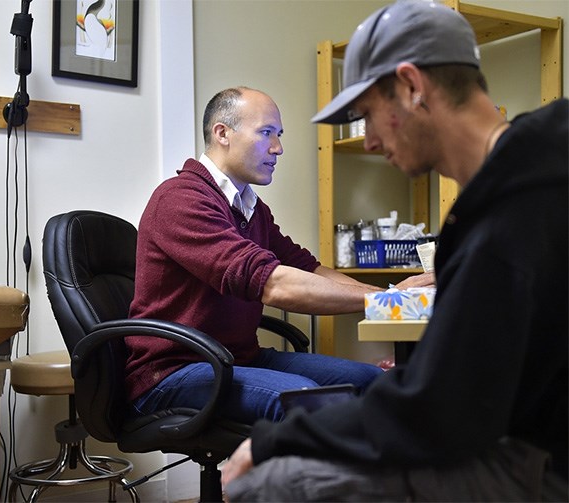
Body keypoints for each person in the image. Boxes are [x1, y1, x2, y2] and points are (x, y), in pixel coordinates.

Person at [221, 1, 568, 501]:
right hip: (526, 424)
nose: (368, 142)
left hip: (545, 458)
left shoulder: (503, 219)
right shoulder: (533, 165)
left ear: (411, 87)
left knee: (270, 481)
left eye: (367, 117)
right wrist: (385, 298)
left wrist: (277, 440)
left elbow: (439, 414)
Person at [124, 85, 433, 426]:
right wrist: (385, 299)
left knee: (371, 383)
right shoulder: (181, 199)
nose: (278, 148)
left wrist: (390, 296)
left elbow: (306, 268)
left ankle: (388, 479)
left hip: (237, 358)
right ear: (222, 133)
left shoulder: (251, 208)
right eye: (266, 133)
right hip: (173, 371)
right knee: (311, 401)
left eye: (279, 135)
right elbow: (272, 284)